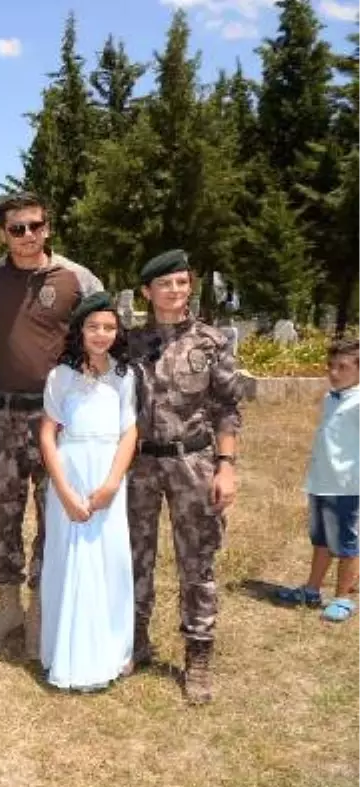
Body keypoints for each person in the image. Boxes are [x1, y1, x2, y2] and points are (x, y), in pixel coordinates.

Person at [0, 192, 104, 658]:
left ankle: (42, 609)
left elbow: (105, 333)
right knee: (4, 511)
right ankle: (7, 607)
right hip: (2, 415)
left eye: (34, 226)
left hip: (58, 420)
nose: (26, 236)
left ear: (48, 227)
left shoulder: (76, 279)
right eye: (16, 228)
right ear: (2, 232)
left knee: (54, 515)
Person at [126, 249, 244, 705]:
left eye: (181, 282)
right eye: (165, 284)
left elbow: (228, 408)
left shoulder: (211, 342)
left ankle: (197, 654)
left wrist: (226, 466)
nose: (175, 291)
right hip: (140, 466)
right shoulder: (131, 343)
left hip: (193, 464)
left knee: (198, 561)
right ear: (147, 292)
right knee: (135, 556)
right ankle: (135, 639)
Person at [38, 292, 138, 691]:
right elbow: (48, 435)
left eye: (109, 327)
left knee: (109, 560)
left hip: (108, 475)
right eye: (93, 326)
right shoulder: (60, 376)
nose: (101, 334)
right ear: (80, 330)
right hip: (71, 471)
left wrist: (113, 483)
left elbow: (130, 430)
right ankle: (65, 650)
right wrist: (63, 491)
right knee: (68, 558)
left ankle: (112, 650)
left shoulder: (124, 375)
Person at [274, 338, 360, 622]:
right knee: (321, 539)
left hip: (347, 486)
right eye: (331, 366)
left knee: (346, 542)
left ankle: (344, 597)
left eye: (343, 367)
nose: (334, 373)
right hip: (321, 482)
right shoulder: (330, 398)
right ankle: (311, 589)